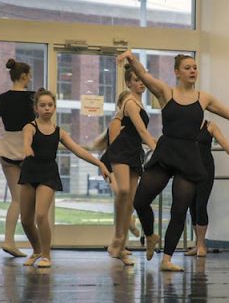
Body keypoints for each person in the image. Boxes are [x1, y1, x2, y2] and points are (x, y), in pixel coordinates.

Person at [117, 50, 229, 271]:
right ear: (177, 72)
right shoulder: (166, 92)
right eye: (187, 68)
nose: (192, 70)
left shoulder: (203, 98)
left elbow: (228, 113)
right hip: (167, 152)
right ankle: (150, 236)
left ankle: (166, 259)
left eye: (195, 67)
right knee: (140, 200)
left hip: (188, 157)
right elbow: (145, 75)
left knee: (179, 209)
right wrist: (131, 58)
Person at [19, 88, 110, 268]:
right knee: (26, 220)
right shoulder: (30, 127)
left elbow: (79, 150)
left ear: (55, 107)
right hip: (30, 172)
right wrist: (27, 148)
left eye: (50, 105)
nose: (47, 108)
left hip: (47, 173)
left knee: (41, 214)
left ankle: (46, 255)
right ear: (36, 108)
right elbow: (26, 140)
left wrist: (100, 164)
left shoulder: (59, 132)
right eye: (42, 105)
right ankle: (36, 250)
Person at [99, 65, 157, 266]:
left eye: (142, 79)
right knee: (123, 191)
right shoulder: (130, 102)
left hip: (133, 153)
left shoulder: (141, 104)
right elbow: (140, 131)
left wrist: (156, 143)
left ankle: (120, 246)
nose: (141, 83)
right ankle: (117, 239)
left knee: (130, 201)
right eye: (136, 80)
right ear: (129, 83)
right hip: (121, 152)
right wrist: (154, 148)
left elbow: (138, 135)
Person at [0, 58, 35, 257]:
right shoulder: (32, 98)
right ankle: (37, 243)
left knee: (16, 199)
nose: (30, 78)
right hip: (25, 147)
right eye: (29, 75)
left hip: (7, 148)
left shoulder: (3, 98)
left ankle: (9, 240)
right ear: (24, 77)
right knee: (29, 200)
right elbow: (38, 123)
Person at [184, 120, 229, 257]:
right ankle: (198, 243)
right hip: (188, 169)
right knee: (191, 206)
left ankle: (201, 244)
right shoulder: (185, 124)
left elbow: (224, 141)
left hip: (205, 169)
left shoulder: (210, 126)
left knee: (201, 205)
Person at [92, 90, 142, 244]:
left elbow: (141, 138)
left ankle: (127, 226)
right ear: (120, 105)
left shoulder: (132, 123)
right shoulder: (116, 121)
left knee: (129, 200)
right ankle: (123, 234)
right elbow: (114, 148)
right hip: (113, 163)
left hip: (126, 162)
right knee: (121, 193)